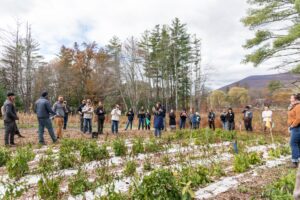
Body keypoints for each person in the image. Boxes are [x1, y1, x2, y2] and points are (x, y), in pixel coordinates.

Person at [288, 93, 300, 168]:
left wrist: (293, 125)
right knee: (298, 143)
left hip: (297, 127)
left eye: (291, 98)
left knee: (293, 143)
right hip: (295, 127)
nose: (290, 99)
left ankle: (295, 161)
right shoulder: (294, 106)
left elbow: (299, 118)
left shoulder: (298, 106)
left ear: (295, 99)